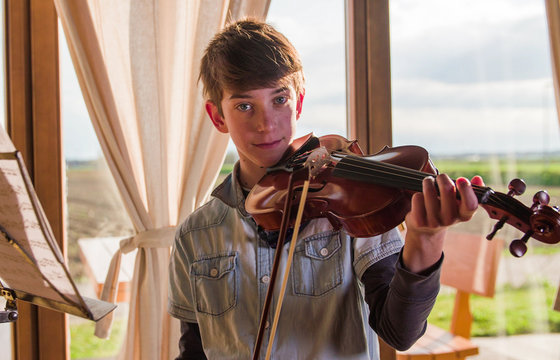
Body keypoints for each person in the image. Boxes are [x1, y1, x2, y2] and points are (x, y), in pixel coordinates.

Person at [168, 19, 483, 359]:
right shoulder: (195, 234)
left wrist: (426, 238)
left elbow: (400, 333)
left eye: (279, 99)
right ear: (218, 117)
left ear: (299, 102)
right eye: (245, 106)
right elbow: (194, 352)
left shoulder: (353, 205)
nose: (266, 123)